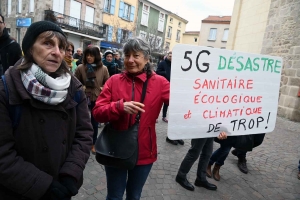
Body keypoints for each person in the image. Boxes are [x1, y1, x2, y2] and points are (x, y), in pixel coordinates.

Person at [0, 20, 93, 199]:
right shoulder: (7, 88)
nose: (57, 52)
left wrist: (71, 173)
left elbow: (84, 134)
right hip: (18, 190)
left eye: (62, 46)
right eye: (47, 43)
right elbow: (3, 153)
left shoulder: (73, 88)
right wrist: (43, 185)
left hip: (62, 189)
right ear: (29, 49)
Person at [92, 38, 170, 200]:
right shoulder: (113, 81)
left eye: (136, 55)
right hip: (115, 149)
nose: (130, 60)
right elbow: (97, 112)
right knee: (114, 196)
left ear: (147, 58)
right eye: (127, 55)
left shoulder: (161, 83)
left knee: (134, 196)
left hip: (144, 151)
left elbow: (183, 109)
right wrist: (119, 107)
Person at [75, 46, 109, 154]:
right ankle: (79, 142)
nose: (89, 57)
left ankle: (93, 143)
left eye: (92, 55)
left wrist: (102, 88)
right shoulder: (81, 67)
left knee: (94, 123)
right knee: (81, 122)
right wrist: (82, 87)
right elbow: (74, 82)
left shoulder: (103, 69)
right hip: (83, 98)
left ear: (96, 56)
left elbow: (108, 84)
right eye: (87, 55)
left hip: (97, 98)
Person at [156, 51, 183, 145]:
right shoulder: (162, 63)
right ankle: (161, 117)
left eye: (172, 56)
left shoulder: (176, 64)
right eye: (170, 56)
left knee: (177, 112)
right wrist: (166, 73)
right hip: (164, 87)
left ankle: (176, 135)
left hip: (175, 88)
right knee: (163, 104)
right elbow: (157, 72)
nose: (171, 57)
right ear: (167, 56)